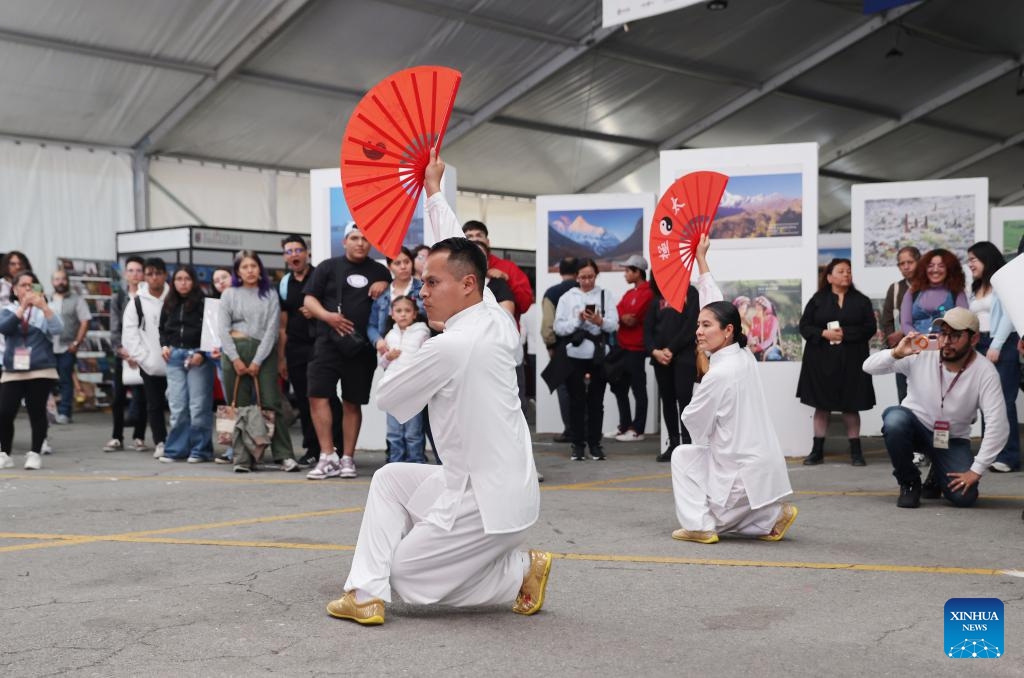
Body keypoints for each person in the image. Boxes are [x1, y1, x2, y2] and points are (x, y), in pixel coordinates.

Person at [326, 150, 548, 626]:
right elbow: (454, 247)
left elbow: (389, 399)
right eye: (421, 281)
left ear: (467, 285)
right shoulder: (491, 313)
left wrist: (413, 343)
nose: (420, 291)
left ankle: (517, 572)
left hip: (489, 505)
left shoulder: (451, 344)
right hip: (488, 486)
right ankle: (363, 593)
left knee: (406, 580)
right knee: (389, 478)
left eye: (430, 282)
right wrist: (432, 189)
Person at [670, 301, 797, 544]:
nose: (698, 331)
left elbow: (693, 419)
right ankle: (771, 515)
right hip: (761, 468)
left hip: (740, 473)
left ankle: (700, 527)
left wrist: (703, 377)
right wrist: (702, 264)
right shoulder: (744, 354)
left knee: (682, 457)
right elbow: (718, 303)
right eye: (698, 325)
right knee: (689, 457)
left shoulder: (719, 373)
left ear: (727, 331)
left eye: (706, 325)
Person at [863, 308, 1007, 508]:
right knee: (894, 420)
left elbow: (997, 424)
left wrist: (976, 470)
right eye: (943, 333)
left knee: (964, 497)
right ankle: (909, 482)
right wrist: (895, 353)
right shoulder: (921, 353)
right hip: (916, 428)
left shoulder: (985, 372)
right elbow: (868, 367)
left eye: (955, 335)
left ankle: (937, 472)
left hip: (952, 438)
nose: (946, 341)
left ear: (973, 340)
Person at [303, 225, 390, 480]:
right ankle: (327, 456)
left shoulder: (380, 271)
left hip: (361, 347)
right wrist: (328, 317)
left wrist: (385, 282)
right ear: (344, 242)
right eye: (355, 238)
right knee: (317, 395)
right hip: (327, 344)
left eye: (365, 239)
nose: (360, 243)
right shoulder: (328, 267)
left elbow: (396, 294)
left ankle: (347, 458)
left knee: (353, 402)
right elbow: (309, 299)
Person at [218, 250, 298, 473]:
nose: (250, 271)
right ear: (237, 271)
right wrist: (235, 359)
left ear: (260, 269)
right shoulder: (229, 294)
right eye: (244, 267)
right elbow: (222, 330)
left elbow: (272, 330)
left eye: (253, 266)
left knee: (271, 403)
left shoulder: (269, 294)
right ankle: (243, 458)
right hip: (234, 351)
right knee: (240, 405)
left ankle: (284, 455)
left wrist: (257, 361)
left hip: (263, 353)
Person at [797, 258, 876, 466]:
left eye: (848, 271)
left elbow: (870, 328)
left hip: (853, 359)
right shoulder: (818, 299)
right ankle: (817, 451)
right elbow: (804, 327)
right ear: (830, 277)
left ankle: (856, 452)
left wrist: (845, 333)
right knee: (821, 406)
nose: (846, 275)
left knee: (851, 406)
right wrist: (824, 333)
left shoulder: (861, 300)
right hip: (821, 360)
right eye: (841, 271)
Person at [277, 235, 341, 467]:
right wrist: (281, 357)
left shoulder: (320, 276)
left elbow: (332, 307)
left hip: (320, 345)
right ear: (285, 256)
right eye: (289, 251)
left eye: (298, 250)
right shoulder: (284, 284)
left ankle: (336, 446)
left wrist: (315, 311)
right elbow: (282, 325)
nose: (294, 255)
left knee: (328, 398)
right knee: (305, 402)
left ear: (307, 253)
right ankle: (313, 448)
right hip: (295, 348)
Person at [553, 259, 619, 461]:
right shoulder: (567, 297)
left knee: (596, 401)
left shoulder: (604, 295)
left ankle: (595, 444)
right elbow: (558, 327)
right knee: (576, 401)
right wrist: (578, 320)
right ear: (576, 277)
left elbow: (614, 325)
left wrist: (600, 321)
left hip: (598, 355)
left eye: (590, 276)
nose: (587, 281)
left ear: (596, 275)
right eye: (582, 277)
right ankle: (578, 445)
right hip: (574, 356)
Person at [0, 271, 62, 470]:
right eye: (23, 285)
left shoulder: (45, 309)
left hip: (40, 368)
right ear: (15, 290)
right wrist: (23, 308)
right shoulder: (8, 309)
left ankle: (35, 453)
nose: (28, 288)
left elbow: (58, 329)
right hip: (13, 369)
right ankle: (4, 453)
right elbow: (5, 328)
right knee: (5, 412)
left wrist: (44, 307)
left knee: (37, 411)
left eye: (31, 284)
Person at [966, 241, 1019, 472]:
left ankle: (1009, 456)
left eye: (973, 260)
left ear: (986, 259)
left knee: (1004, 401)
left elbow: (1010, 314)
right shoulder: (977, 287)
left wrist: (996, 344)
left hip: (1002, 343)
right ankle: (992, 454)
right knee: (987, 401)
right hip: (981, 343)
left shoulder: (1003, 283)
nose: (970, 265)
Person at [158, 266, 214, 463]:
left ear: (194, 281)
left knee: (198, 406)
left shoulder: (203, 302)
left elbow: (211, 331)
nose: (183, 283)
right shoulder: (169, 303)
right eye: (179, 279)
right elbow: (162, 329)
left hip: (197, 357)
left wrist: (201, 353)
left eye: (187, 279)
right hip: (174, 357)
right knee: (178, 406)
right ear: (173, 282)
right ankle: (176, 449)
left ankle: (201, 449)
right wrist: (164, 345)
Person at [644, 278, 700, 463]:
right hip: (661, 359)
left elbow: (691, 325)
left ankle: (688, 444)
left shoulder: (690, 293)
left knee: (685, 400)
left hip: (684, 357)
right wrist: (655, 351)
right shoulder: (657, 299)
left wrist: (671, 349)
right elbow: (647, 331)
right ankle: (674, 444)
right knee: (667, 401)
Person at [122, 257, 170, 460]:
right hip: (150, 363)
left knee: (179, 405)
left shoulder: (173, 297)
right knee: (154, 404)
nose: (154, 277)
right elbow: (130, 333)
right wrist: (145, 359)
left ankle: (180, 440)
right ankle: (161, 441)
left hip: (176, 362)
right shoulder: (137, 302)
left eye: (158, 273)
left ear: (165, 275)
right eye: (150, 273)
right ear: (145, 276)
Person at [104, 255, 149, 452]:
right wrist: (122, 351)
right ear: (125, 274)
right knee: (118, 398)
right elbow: (114, 328)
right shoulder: (118, 298)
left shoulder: (148, 297)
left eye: (138, 270)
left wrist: (139, 354)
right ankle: (117, 436)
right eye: (131, 270)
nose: (135, 274)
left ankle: (139, 436)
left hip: (144, 354)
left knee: (142, 398)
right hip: (123, 354)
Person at [378, 296, 430, 464]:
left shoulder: (422, 333)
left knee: (413, 432)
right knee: (394, 432)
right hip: (393, 390)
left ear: (415, 314)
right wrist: (388, 356)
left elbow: (427, 358)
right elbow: (382, 363)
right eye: (399, 311)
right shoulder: (390, 335)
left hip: (412, 390)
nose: (403, 315)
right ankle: (395, 463)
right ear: (392, 314)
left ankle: (416, 462)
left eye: (407, 311)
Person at [611, 255, 653, 442]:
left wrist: (621, 316)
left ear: (638, 272)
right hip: (623, 347)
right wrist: (621, 316)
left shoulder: (648, 292)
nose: (625, 274)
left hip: (636, 348)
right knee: (620, 388)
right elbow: (617, 312)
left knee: (638, 390)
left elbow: (632, 318)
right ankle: (625, 425)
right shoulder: (630, 293)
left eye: (628, 270)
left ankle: (637, 429)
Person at [539, 257, 578, 443]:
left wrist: (550, 345)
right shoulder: (584, 291)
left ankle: (570, 430)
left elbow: (548, 324)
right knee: (586, 390)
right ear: (578, 272)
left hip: (562, 347)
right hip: (585, 345)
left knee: (564, 389)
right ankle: (585, 430)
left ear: (560, 271)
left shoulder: (552, 293)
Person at [49, 269, 91, 424]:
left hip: (67, 347)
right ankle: (49, 412)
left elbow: (85, 321)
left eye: (63, 279)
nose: (60, 282)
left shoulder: (76, 299)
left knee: (66, 380)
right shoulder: (46, 298)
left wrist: (76, 343)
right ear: (52, 282)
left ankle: (65, 413)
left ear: (67, 281)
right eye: (57, 279)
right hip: (48, 347)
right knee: (47, 380)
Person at [881, 246, 921, 403]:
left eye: (910, 262)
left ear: (919, 261)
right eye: (901, 263)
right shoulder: (896, 288)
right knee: (904, 397)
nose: (906, 266)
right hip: (903, 350)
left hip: (925, 349)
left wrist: (905, 333)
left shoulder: (930, 286)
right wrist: (893, 341)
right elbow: (887, 319)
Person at [368, 246, 424, 356]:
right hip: (391, 353)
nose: (403, 267)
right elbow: (371, 325)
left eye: (406, 262)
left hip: (419, 351)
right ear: (389, 267)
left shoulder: (423, 289)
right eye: (397, 263)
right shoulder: (382, 294)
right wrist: (378, 340)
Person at [900, 248, 968, 336]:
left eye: (941, 266)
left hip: (947, 345)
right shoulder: (912, 292)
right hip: (917, 345)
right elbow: (905, 323)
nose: (935, 270)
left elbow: (963, 322)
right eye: (930, 266)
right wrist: (918, 339)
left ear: (950, 269)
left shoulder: (957, 292)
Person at [748, 296, 783, 361]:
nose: (756, 312)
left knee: (770, 357)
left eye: (758, 310)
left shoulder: (773, 320)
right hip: (756, 346)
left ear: (765, 310)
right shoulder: (755, 319)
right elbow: (750, 333)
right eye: (756, 309)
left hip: (771, 347)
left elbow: (770, 339)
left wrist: (758, 347)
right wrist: (751, 343)